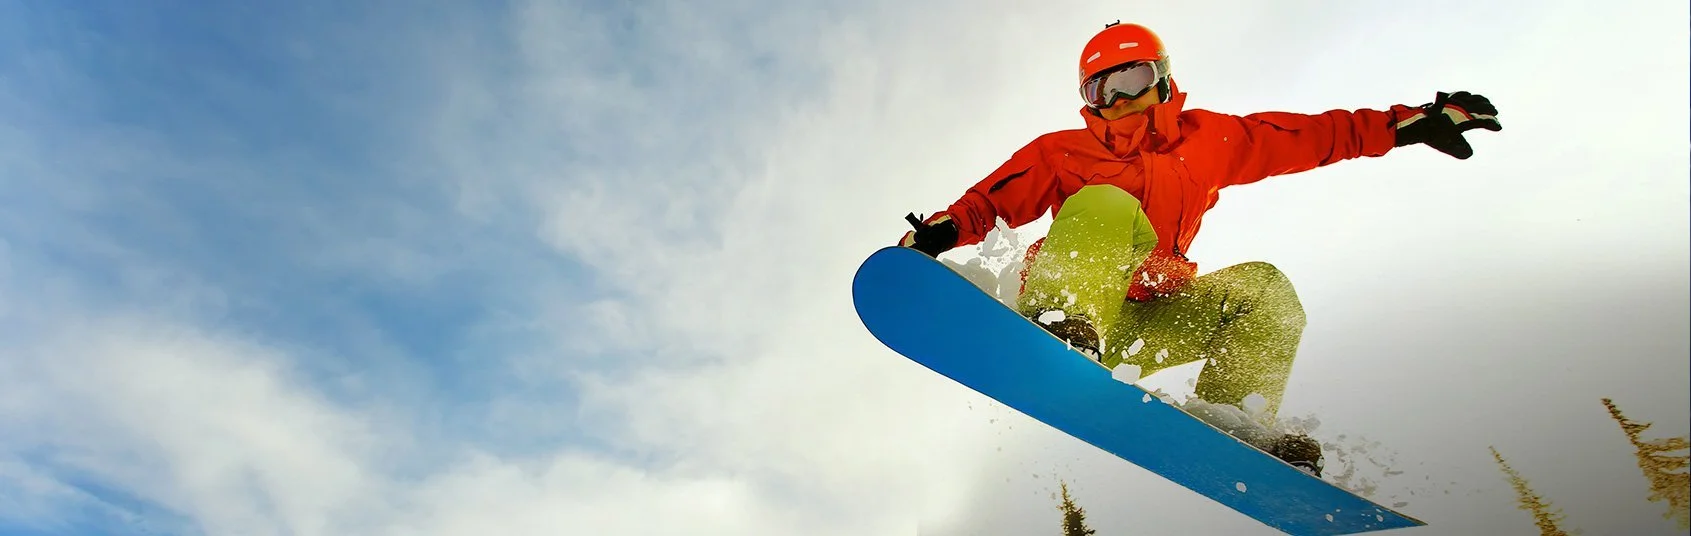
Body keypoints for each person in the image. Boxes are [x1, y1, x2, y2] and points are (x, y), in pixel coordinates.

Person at [896, 21, 1501, 476]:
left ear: (1160, 78)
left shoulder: (1208, 140)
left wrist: (1409, 123)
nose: (1119, 100)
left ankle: (1231, 419)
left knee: (1265, 288)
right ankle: (1057, 329)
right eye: (1101, 89)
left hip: (1146, 321)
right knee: (1107, 204)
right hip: (1076, 299)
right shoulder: (1062, 150)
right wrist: (942, 231)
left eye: (1131, 80)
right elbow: (991, 200)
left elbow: (1307, 136)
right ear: (1088, 99)